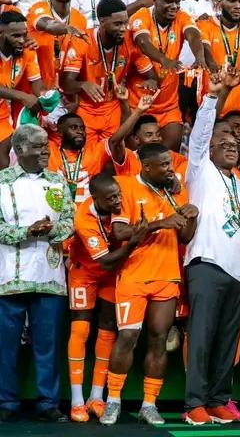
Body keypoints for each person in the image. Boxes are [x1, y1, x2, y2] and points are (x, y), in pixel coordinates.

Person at [101, 143, 198, 426]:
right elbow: (119, 231)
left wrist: (191, 216)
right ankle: (114, 400)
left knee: (159, 341)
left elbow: (185, 237)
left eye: (171, 163)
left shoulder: (175, 191)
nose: (171, 169)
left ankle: (149, 404)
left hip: (167, 275)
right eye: (165, 165)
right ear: (147, 167)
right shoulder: (127, 187)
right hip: (133, 275)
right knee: (128, 338)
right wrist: (159, 224)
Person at [183, 71, 240, 425]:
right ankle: (194, 401)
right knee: (203, 337)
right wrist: (212, 97)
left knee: (227, 341)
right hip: (206, 263)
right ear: (208, 149)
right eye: (222, 142)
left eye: (234, 145)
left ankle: (218, 399)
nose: (229, 146)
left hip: (237, 271)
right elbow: (200, 136)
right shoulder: (200, 171)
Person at [0, 124, 74, 423]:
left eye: (46, 145)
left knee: (49, 344)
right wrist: (25, 232)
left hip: (49, 275)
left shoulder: (58, 182)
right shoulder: (2, 183)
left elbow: (70, 220)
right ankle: (6, 401)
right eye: (38, 146)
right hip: (9, 276)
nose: (45, 151)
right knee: (5, 346)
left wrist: (53, 230)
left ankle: (48, 403)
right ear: (19, 150)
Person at [65, 174, 139, 422]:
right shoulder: (83, 218)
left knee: (108, 331)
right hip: (84, 272)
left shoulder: (120, 201)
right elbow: (104, 261)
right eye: (111, 198)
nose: (118, 201)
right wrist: (132, 243)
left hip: (110, 275)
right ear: (96, 198)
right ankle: (76, 401)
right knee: (81, 330)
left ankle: (96, 396)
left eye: (118, 195)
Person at [61, 0, 157, 146]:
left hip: (113, 107)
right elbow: (66, 83)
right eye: (117, 24)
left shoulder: (129, 42)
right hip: (85, 109)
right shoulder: (82, 41)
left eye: (125, 23)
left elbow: (151, 76)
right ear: (102, 21)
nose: (123, 28)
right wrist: (83, 85)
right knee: (88, 157)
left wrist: (151, 81)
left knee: (113, 156)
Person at [128, 0, 207, 152]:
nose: (174, 6)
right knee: (136, 156)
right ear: (154, 0)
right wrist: (165, 60)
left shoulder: (181, 16)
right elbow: (143, 42)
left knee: (168, 155)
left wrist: (199, 57)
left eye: (177, 2)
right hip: (138, 101)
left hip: (167, 104)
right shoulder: (141, 16)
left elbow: (193, 35)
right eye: (168, 2)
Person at [27, 0, 87, 89]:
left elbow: (75, 57)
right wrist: (67, 29)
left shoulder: (80, 19)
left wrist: (74, 96)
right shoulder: (38, 8)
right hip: (33, 87)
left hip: (60, 89)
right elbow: (48, 25)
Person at [0, 11, 44, 169]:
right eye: (15, 36)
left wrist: (47, 99)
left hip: (2, 114)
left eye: (24, 35)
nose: (22, 41)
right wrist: (21, 95)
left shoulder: (27, 51)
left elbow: (37, 85)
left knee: (4, 154)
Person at [47, 113, 111, 203]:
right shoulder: (49, 151)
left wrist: (137, 111)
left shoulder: (95, 151)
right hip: (58, 212)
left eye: (82, 128)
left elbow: (117, 141)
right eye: (74, 127)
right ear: (60, 132)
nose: (80, 131)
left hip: (86, 215)